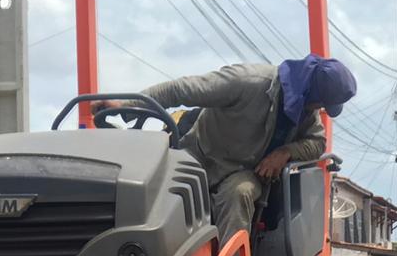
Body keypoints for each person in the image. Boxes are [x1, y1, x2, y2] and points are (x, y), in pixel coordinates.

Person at [95, 56, 357, 244]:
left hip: (244, 172)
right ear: (309, 92)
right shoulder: (247, 82)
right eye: (320, 104)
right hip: (198, 155)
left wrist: (285, 152)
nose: (317, 111)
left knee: (240, 195)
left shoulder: (304, 111)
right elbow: (181, 90)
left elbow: (317, 143)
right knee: (152, 190)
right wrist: (124, 105)